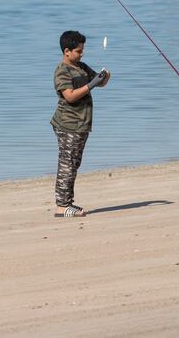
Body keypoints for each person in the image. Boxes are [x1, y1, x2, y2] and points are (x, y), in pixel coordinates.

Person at [50, 31, 110, 218]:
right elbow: (70, 96)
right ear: (66, 51)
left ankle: (68, 202)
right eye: (78, 51)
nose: (81, 54)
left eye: (82, 50)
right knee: (67, 164)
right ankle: (62, 206)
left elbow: (100, 83)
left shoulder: (81, 66)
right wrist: (91, 84)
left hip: (82, 124)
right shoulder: (62, 70)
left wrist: (104, 76)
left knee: (74, 163)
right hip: (68, 124)